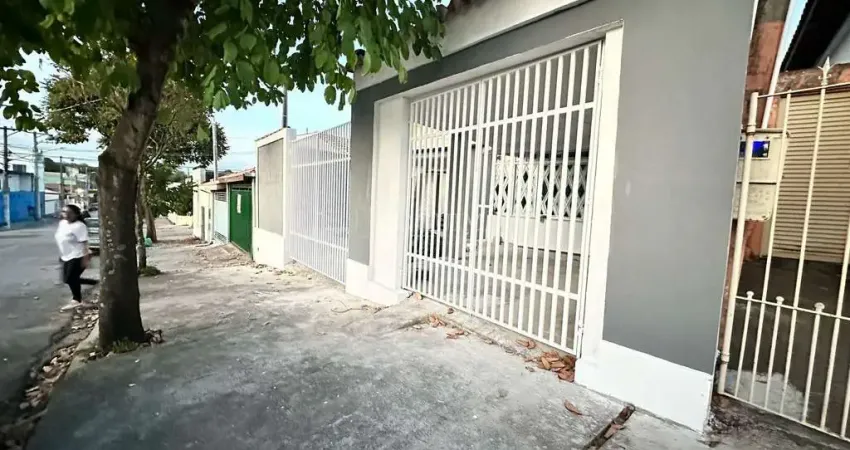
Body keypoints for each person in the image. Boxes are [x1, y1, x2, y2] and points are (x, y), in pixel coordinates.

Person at [55, 204, 97, 311]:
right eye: (64, 212)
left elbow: (85, 243)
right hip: (66, 256)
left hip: (78, 256)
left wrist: (86, 259)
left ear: (76, 214)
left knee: (70, 278)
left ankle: (77, 300)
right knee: (67, 279)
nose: (66, 215)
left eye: (69, 213)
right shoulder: (62, 223)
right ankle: (96, 283)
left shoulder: (79, 226)